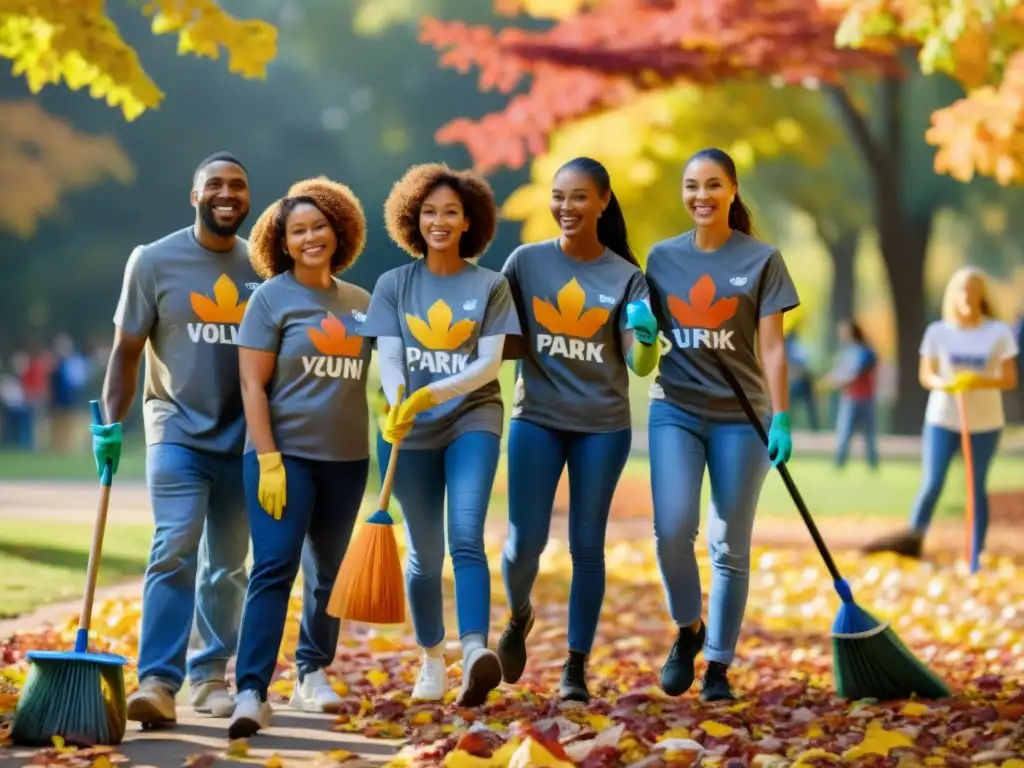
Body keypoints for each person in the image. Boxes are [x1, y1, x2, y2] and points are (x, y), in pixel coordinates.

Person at [100, 152, 258, 725]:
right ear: (194, 196)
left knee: (229, 563)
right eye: (213, 184)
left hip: (244, 436)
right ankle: (158, 681)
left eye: (237, 185)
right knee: (174, 545)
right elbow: (126, 351)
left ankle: (211, 674)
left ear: (247, 198)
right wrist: (109, 423)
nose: (226, 193)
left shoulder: (262, 264)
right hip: (175, 427)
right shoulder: (153, 261)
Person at [495, 157, 658, 703]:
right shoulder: (525, 263)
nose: (567, 208)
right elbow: (499, 336)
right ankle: (519, 615)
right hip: (537, 417)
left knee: (587, 545)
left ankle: (575, 667)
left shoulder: (626, 277)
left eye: (580, 197)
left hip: (601, 427)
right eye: (559, 196)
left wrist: (648, 337)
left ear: (603, 201)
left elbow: (638, 365)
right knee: (524, 545)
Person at [359, 163, 521, 706]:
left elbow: (486, 366)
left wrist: (433, 394)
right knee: (424, 555)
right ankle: (432, 657)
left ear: (469, 219)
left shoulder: (491, 286)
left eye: (451, 211)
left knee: (466, 535)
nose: (440, 221)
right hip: (407, 430)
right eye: (429, 211)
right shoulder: (393, 284)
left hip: (472, 417)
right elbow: (390, 356)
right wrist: (401, 397)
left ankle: (475, 650)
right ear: (413, 217)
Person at [643, 148, 800, 702]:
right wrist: (638, 330)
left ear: (732, 190)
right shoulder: (660, 259)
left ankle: (719, 668)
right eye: (691, 186)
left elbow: (774, 347)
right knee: (671, 533)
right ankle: (689, 630)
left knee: (729, 543)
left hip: (743, 417)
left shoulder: (762, 259)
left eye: (713, 185)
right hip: (676, 408)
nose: (701, 196)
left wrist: (781, 416)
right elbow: (642, 343)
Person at [227, 178, 373, 738]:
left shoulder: (362, 303)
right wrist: (267, 458)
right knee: (273, 568)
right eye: (298, 231)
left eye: (319, 226)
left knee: (329, 575)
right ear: (282, 243)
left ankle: (312, 671)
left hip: (347, 460)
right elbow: (250, 383)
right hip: (282, 460)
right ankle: (250, 690)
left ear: (339, 230)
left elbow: (397, 367)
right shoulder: (271, 298)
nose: (311, 237)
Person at [862, 267, 1019, 571]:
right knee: (932, 482)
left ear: (982, 295)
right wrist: (944, 383)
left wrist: (976, 381)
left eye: (974, 290)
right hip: (943, 419)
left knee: (976, 486)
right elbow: (926, 374)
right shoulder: (938, 332)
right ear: (953, 295)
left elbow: (1010, 377)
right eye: (962, 290)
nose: (968, 296)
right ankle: (912, 542)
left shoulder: (997, 332)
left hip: (985, 423)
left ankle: (975, 554)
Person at [826, 319, 879, 469]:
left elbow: (859, 372)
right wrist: (831, 379)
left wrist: (840, 380)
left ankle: (872, 463)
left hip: (864, 398)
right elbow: (840, 371)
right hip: (850, 398)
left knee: (868, 434)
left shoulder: (866, 351)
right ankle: (840, 462)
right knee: (844, 432)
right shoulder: (847, 352)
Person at [785, 324, 819, 432]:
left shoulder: (794, 346)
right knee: (795, 403)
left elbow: (801, 363)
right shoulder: (791, 345)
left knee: (796, 403)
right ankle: (812, 426)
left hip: (800, 379)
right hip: (798, 379)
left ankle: (813, 427)